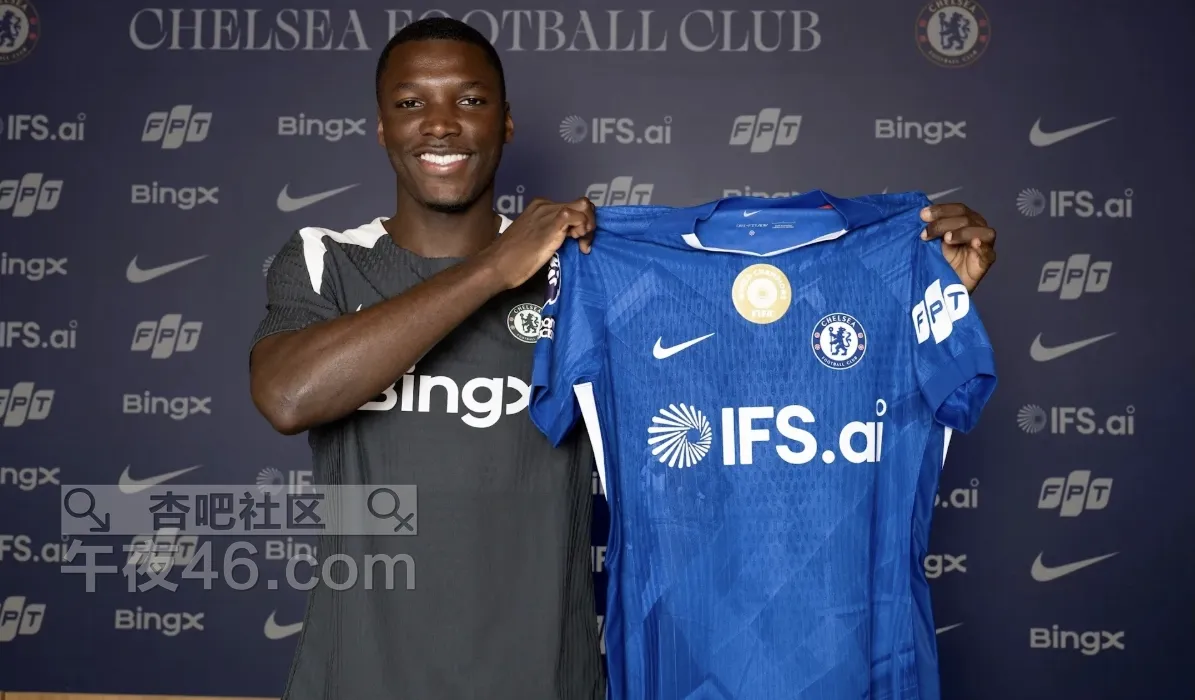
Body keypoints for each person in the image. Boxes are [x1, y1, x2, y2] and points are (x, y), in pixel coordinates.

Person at [248, 17, 998, 700]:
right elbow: (288, 395)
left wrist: (909, 296)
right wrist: (492, 268)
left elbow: (754, 373)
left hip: (547, 679)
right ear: (382, 126)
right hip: (356, 678)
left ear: (505, 122)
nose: (441, 123)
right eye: (411, 103)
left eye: (469, 100)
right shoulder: (326, 259)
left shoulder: (581, 271)